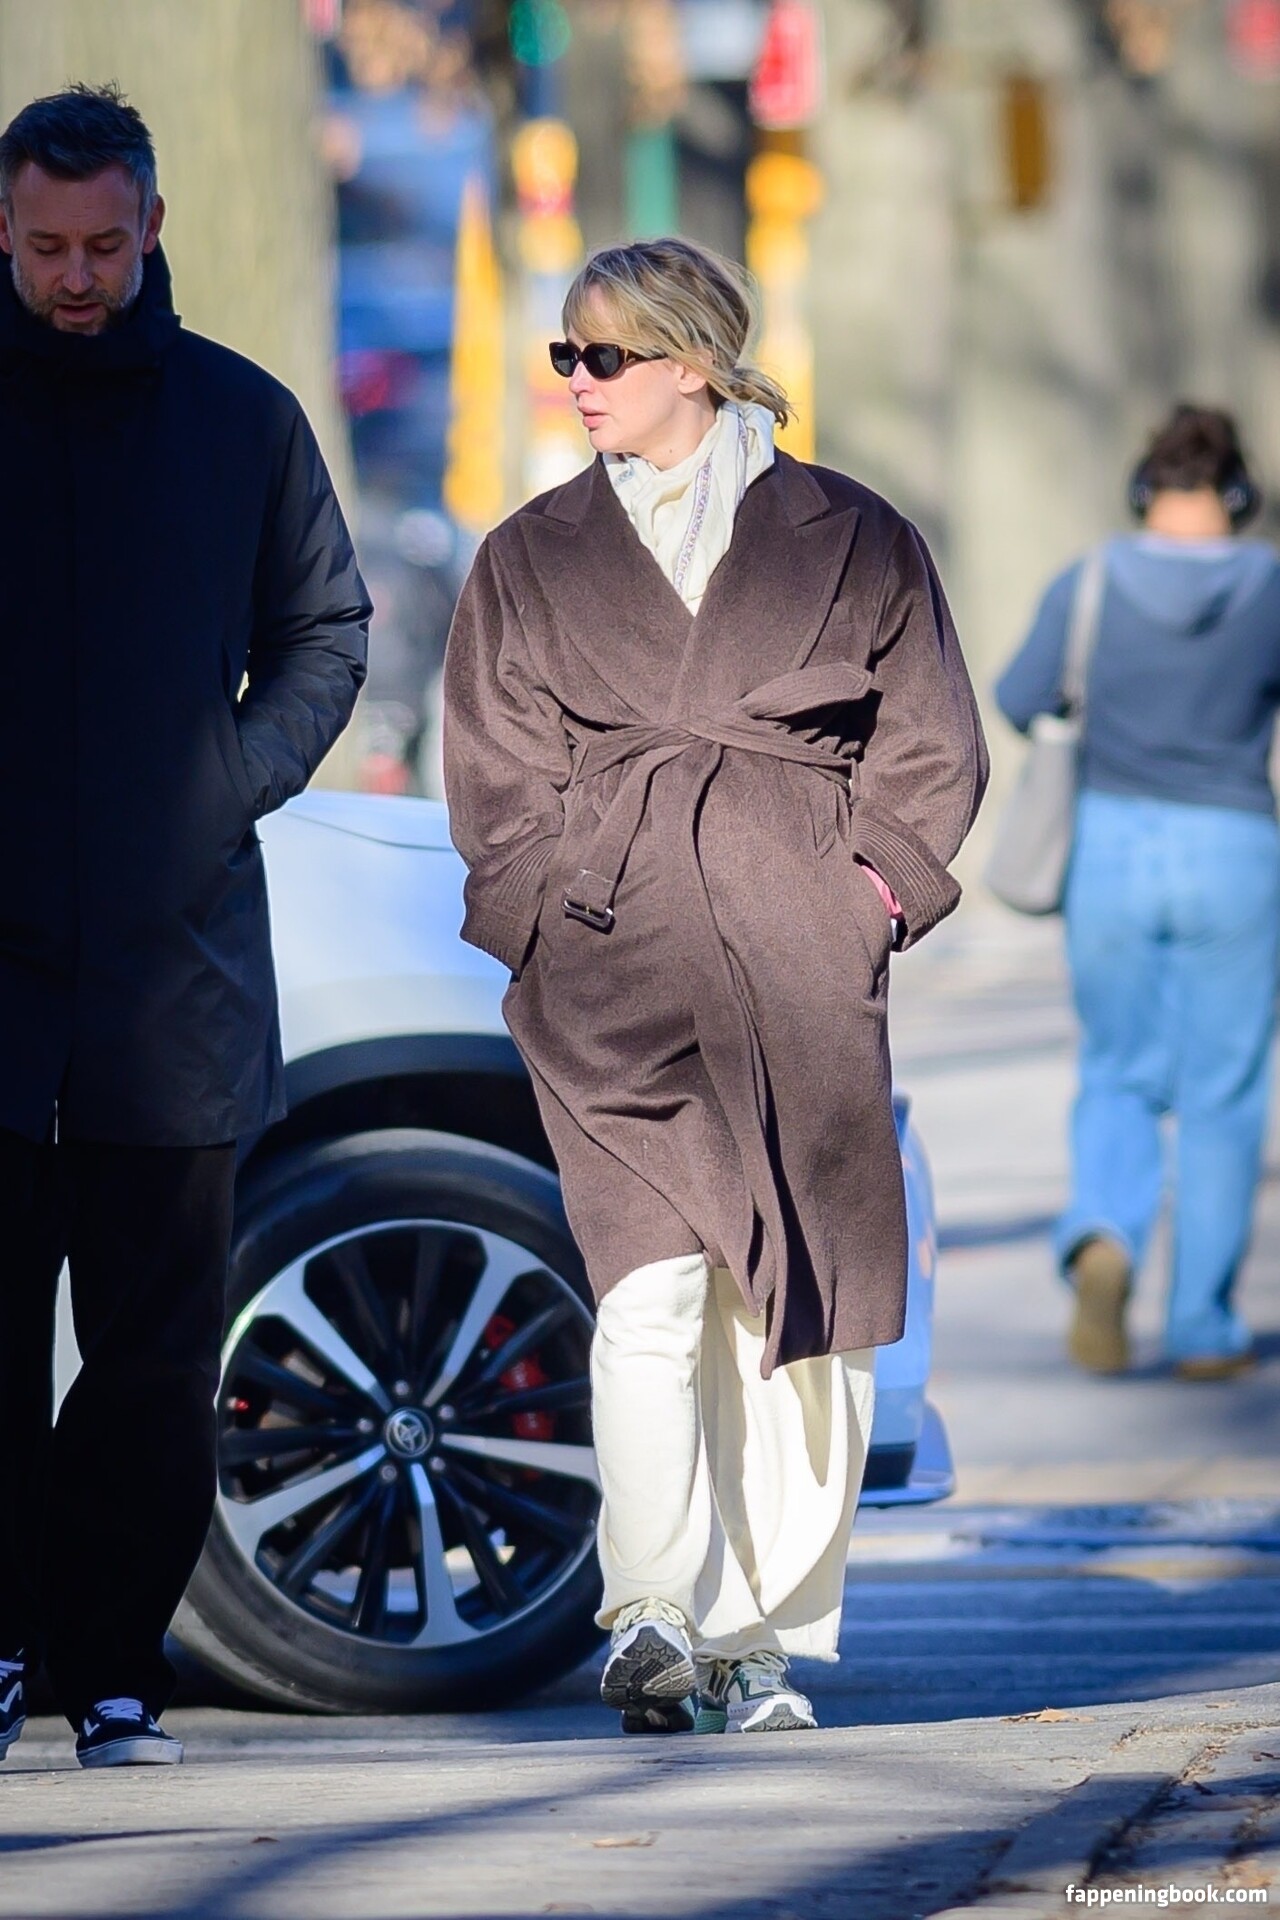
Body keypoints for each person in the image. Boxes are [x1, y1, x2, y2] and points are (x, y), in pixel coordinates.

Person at [443, 237, 986, 1734]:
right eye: (564, 355)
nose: (576, 381)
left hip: (795, 963)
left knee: (787, 1308)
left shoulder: (851, 534)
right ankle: (652, 1611)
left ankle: (758, 1642)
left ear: (692, 360)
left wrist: (863, 899)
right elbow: (492, 768)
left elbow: (932, 740)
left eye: (602, 356)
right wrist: (543, 914)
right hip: (607, 969)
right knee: (646, 1288)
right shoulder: (531, 555)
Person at [0, 85, 370, 1768]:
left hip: (176, 985)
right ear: (6, 234)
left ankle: (112, 1669)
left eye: (103, 244)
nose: (77, 276)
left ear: (152, 227)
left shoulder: (242, 419)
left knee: (151, 1361)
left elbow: (326, 632)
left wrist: (229, 779)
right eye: (46, 248)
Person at [996, 404, 1280, 1381]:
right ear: (1237, 495)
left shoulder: (1090, 581)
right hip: (1235, 850)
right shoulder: (1269, 587)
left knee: (1118, 1069)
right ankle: (1201, 1327)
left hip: (1110, 848)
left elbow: (1018, 695)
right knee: (1221, 1093)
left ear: (1141, 490)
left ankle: (1105, 1238)